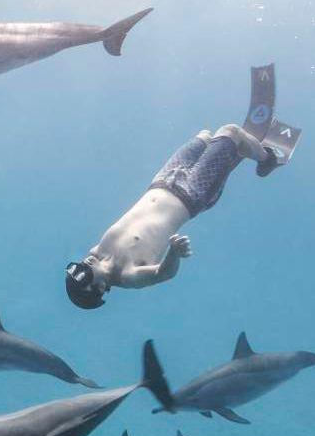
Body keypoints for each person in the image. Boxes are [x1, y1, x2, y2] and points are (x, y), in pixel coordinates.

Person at [65, 65, 300, 309]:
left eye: (78, 265)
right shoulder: (127, 276)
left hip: (162, 180)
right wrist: (173, 253)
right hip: (192, 194)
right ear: (100, 288)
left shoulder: (98, 251)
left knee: (205, 136)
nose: (84, 262)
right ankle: (267, 160)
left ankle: (237, 149)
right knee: (230, 131)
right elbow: (162, 275)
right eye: (84, 273)